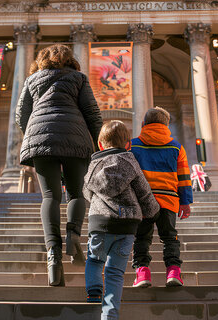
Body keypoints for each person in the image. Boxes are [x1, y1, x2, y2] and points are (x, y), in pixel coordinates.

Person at [16, 44, 103, 287]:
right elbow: (92, 113)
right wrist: (99, 146)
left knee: (50, 196)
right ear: (69, 59)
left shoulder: (32, 79)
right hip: (75, 139)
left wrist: (33, 135)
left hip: (41, 140)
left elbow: (20, 114)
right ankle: (73, 235)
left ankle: (53, 254)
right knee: (76, 193)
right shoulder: (78, 78)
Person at [83, 120, 160, 319]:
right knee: (115, 272)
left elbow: (86, 193)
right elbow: (144, 192)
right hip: (126, 225)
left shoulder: (93, 165)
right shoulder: (131, 161)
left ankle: (93, 290)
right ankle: (110, 315)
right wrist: (152, 211)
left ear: (100, 144)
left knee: (94, 259)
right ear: (127, 144)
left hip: (99, 222)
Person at [129, 107, 193, 287]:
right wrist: (185, 202)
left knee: (141, 238)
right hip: (169, 200)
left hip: (143, 201)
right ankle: (173, 272)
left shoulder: (133, 145)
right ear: (167, 126)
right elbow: (184, 178)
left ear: (143, 124)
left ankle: (142, 274)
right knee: (169, 237)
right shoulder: (176, 147)